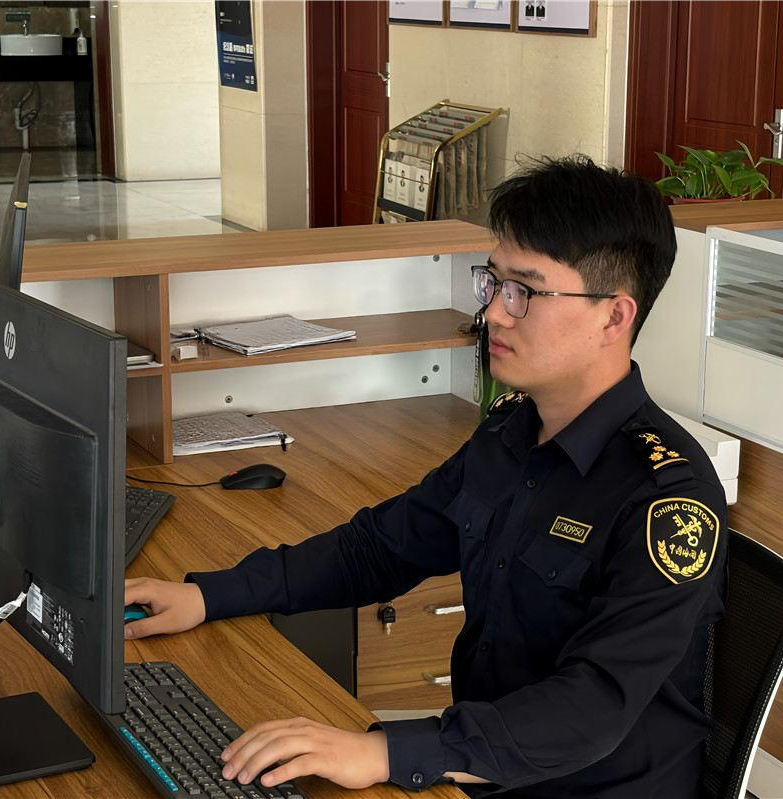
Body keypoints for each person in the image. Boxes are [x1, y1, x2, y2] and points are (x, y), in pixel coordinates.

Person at [125, 154, 728, 798]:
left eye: (525, 292)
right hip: (477, 772)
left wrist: (384, 751)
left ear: (614, 316)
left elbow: (592, 707)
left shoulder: (668, 497)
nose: (495, 313)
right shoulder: (511, 433)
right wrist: (210, 596)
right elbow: (377, 550)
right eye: (492, 283)